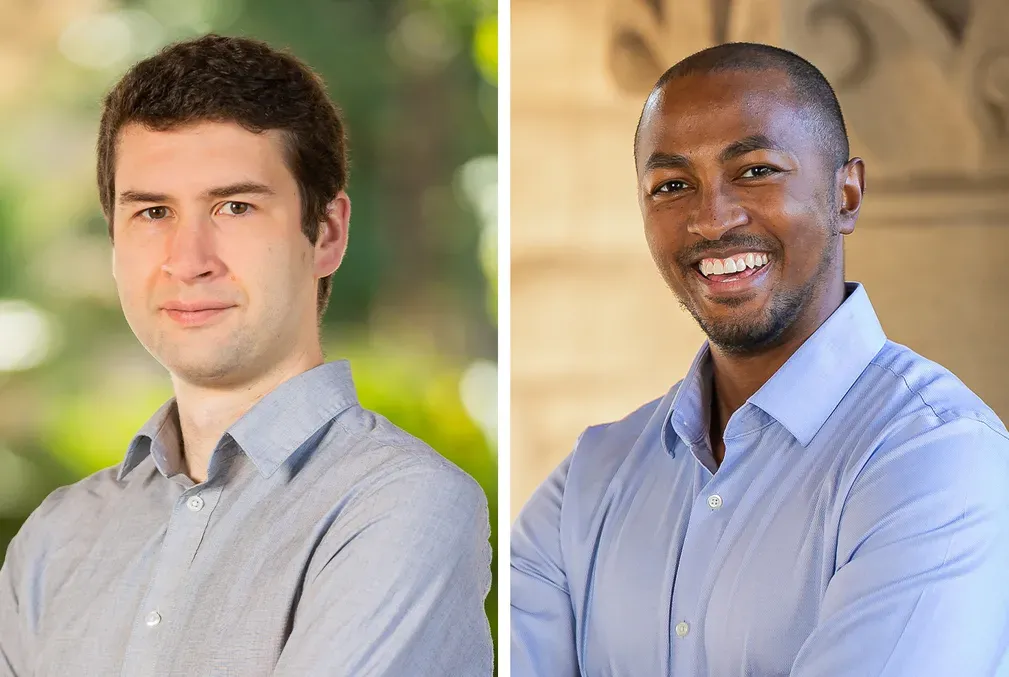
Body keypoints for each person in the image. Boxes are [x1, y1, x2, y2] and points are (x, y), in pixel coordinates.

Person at [0, 34, 493, 676]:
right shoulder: (54, 538)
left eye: (235, 207)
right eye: (152, 212)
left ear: (328, 234)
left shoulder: (402, 505)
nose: (188, 260)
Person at [511, 42, 1009, 676]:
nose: (711, 220)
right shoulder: (590, 482)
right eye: (672, 185)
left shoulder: (939, 458)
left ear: (846, 195)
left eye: (756, 170)